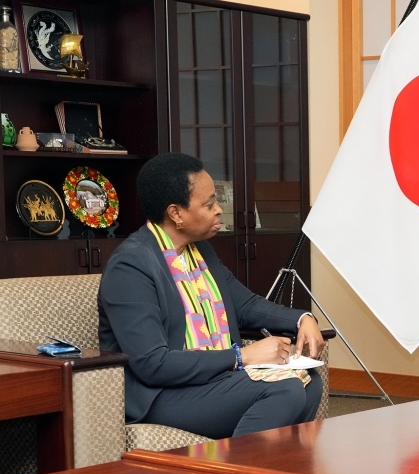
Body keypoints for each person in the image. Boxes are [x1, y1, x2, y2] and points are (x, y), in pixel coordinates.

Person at [98, 153, 325, 439]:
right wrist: (242, 356)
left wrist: (302, 318)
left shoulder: (200, 251)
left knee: (309, 382)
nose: (218, 210)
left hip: (213, 380)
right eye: (208, 204)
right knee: (284, 390)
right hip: (162, 395)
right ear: (176, 213)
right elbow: (152, 364)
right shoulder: (131, 266)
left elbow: (246, 305)